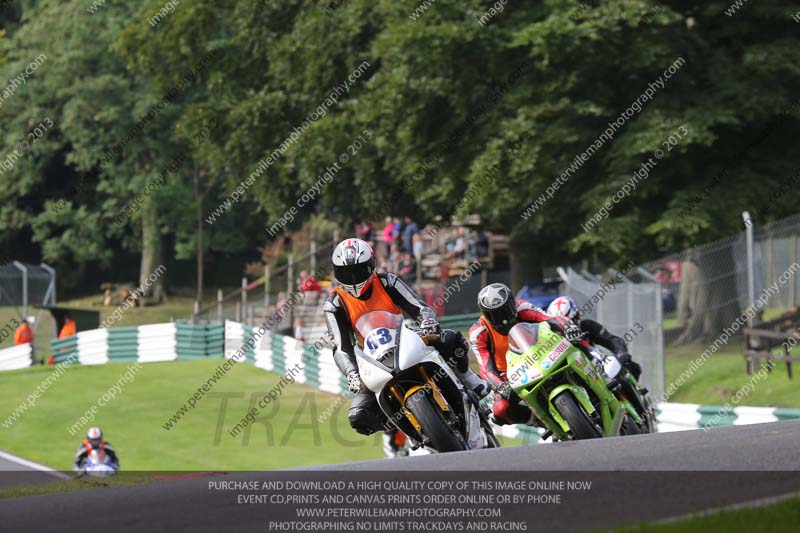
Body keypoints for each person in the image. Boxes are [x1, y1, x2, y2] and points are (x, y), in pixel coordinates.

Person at [323, 238, 489, 436]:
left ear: (371, 265)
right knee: (360, 416)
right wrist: (351, 372)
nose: (353, 278)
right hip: (371, 358)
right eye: (345, 273)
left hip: (405, 337)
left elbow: (418, 307)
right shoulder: (334, 304)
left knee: (452, 339)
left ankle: (468, 378)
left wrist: (426, 320)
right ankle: (401, 431)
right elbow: (341, 347)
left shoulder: (387, 281)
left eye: (358, 271)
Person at [469, 283, 583, 426]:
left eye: (505, 310)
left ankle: (600, 380)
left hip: (544, 354)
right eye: (494, 314)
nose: (502, 318)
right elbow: (485, 367)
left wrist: (569, 327)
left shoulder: (522, 307)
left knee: (578, 343)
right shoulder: (478, 333)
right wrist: (500, 385)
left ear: (512, 303)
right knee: (499, 411)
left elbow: (550, 318)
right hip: (512, 376)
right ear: (485, 314)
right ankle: (537, 420)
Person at [546, 296, 642, 379]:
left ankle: (639, 396)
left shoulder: (586, 326)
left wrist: (621, 353)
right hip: (578, 374)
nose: (568, 328)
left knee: (631, 367)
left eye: (570, 322)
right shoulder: (552, 340)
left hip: (601, 368)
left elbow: (611, 340)